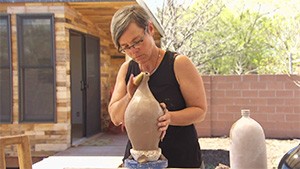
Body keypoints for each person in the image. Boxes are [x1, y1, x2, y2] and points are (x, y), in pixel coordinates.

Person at [108, 4, 207, 168]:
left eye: (137, 41)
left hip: (181, 159)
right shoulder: (127, 70)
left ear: (150, 29)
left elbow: (200, 111)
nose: (134, 51)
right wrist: (129, 95)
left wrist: (170, 118)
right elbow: (116, 117)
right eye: (125, 47)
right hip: (138, 161)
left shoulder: (178, 64)